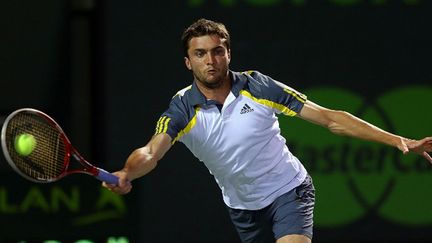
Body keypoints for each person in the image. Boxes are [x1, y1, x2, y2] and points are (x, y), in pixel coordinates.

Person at [103, 18, 432, 243]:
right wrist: (128, 172)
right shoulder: (182, 108)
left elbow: (331, 118)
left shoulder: (258, 86)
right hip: (243, 208)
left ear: (228, 53)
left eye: (218, 51)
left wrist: (400, 141)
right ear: (188, 62)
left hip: (290, 191)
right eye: (200, 54)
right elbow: (150, 152)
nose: (211, 60)